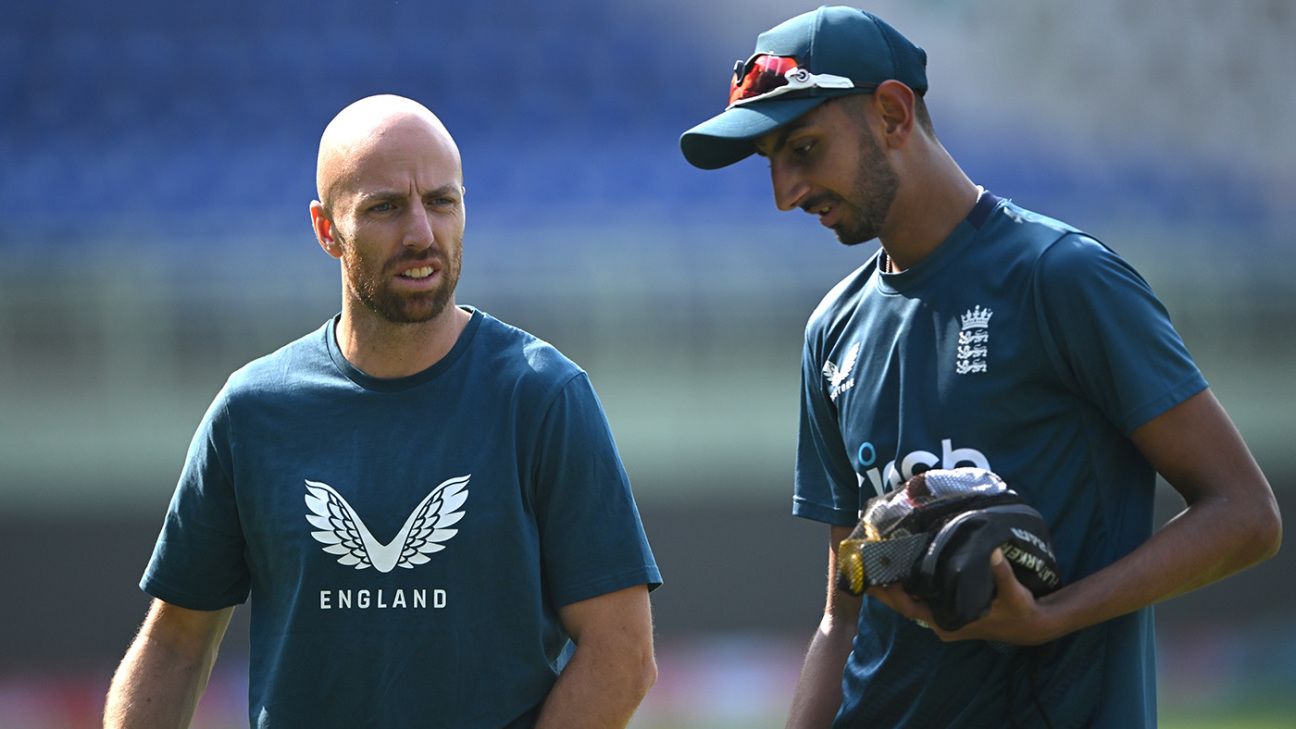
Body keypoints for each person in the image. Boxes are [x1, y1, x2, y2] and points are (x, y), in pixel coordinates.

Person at [680, 6, 1280, 728]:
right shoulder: (831, 331)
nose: (785, 193)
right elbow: (843, 613)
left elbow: (1246, 514)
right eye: (770, 162)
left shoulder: (1061, 278)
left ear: (894, 114)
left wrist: (1053, 615)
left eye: (803, 148)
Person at [104, 94, 661, 729]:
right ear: (326, 230)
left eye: (442, 202)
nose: (422, 232)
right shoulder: (253, 411)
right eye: (386, 208)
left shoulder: (542, 396)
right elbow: (175, 642)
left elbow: (621, 656)